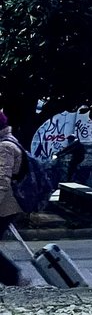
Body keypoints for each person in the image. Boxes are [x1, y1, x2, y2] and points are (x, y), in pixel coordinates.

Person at [0, 111, 24, 285]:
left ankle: (13, 278)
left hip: (5, 206)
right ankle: (12, 278)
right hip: (8, 205)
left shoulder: (5, 147)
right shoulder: (9, 141)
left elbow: (2, 180)